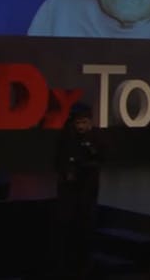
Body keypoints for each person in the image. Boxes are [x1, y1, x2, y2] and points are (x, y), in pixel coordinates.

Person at [49, 103, 104, 279]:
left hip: (88, 191)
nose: (81, 126)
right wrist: (67, 172)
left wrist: (91, 153)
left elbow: (103, 157)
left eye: (85, 122)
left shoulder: (95, 137)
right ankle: (65, 266)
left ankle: (85, 266)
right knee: (67, 226)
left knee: (86, 227)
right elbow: (59, 161)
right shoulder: (66, 137)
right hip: (69, 192)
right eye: (78, 122)